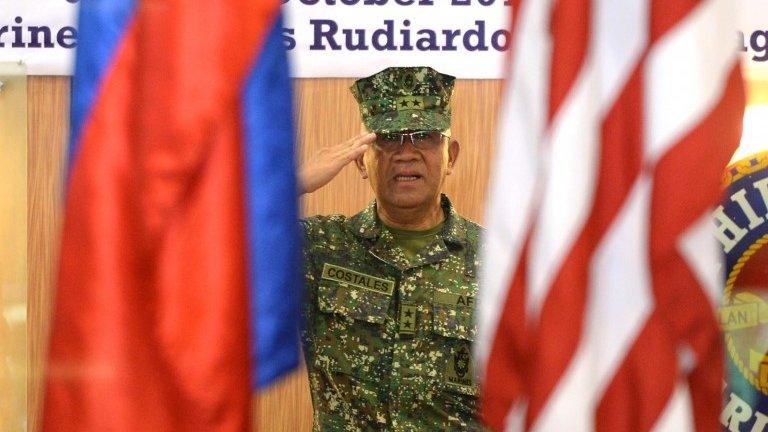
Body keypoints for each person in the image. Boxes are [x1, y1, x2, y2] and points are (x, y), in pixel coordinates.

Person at [299, 66, 484, 431]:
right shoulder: (320, 249)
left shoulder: (499, 262)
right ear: (359, 161)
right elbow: (209, 250)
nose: (406, 153)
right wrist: (290, 186)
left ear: (452, 156)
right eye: (387, 137)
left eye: (425, 136)